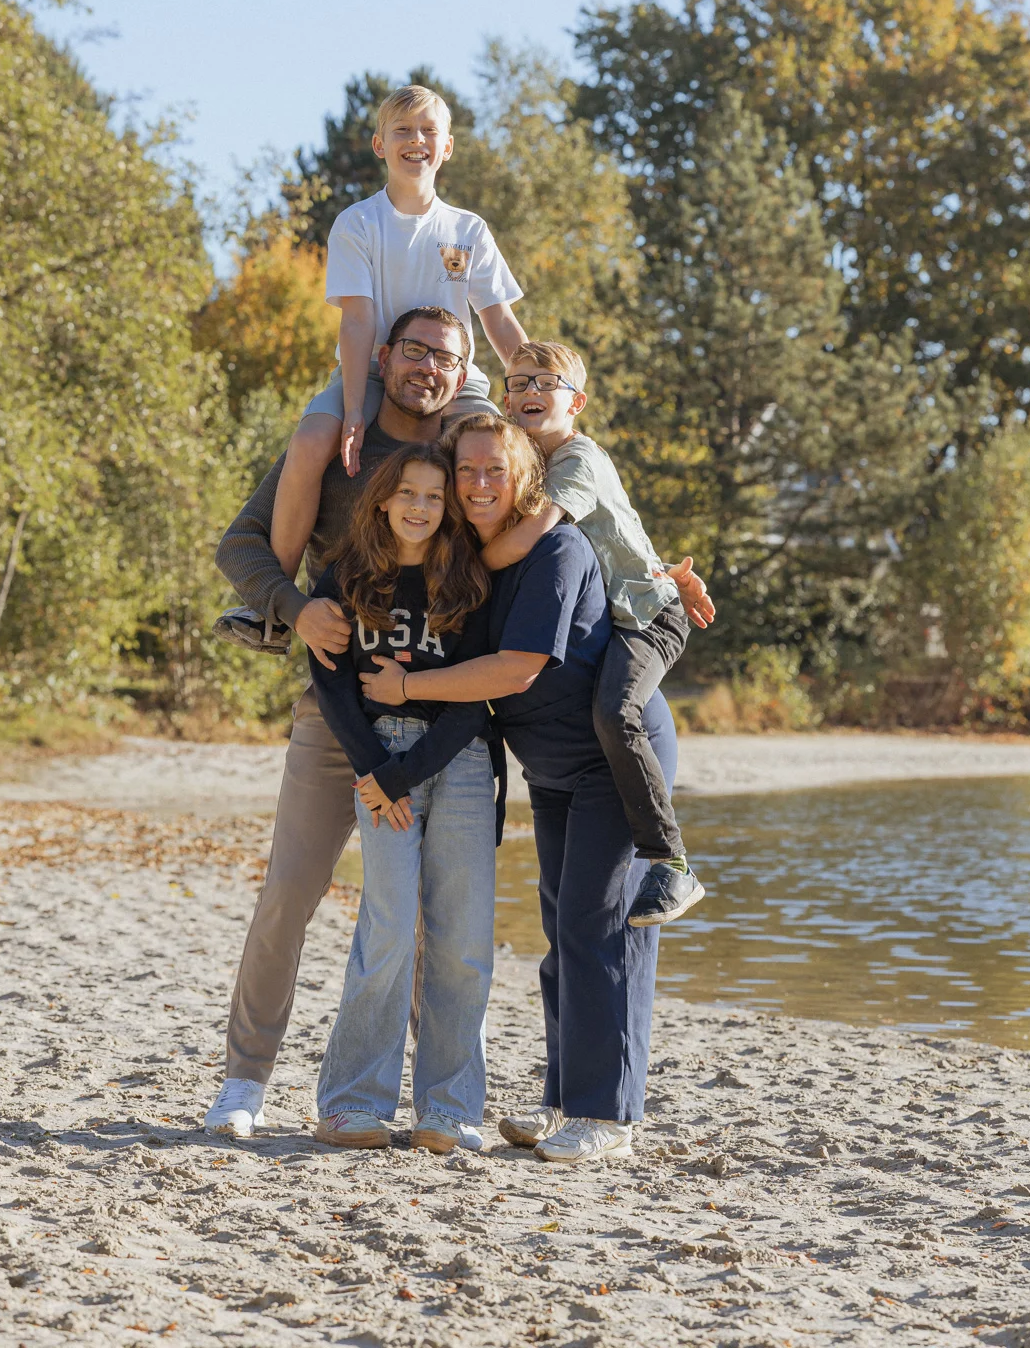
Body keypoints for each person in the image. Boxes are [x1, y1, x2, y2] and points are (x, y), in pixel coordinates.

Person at [361, 413, 680, 1165]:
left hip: (612, 760)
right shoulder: (471, 556)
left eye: (493, 471)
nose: (476, 484)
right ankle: (565, 1099)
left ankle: (609, 1117)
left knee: (599, 927)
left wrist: (407, 685)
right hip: (556, 771)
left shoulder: (558, 549)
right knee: (560, 933)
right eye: (465, 470)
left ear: (525, 477)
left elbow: (517, 669)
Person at [203, 306, 475, 1142]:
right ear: (383, 358)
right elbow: (241, 546)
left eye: (447, 358)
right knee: (290, 891)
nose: (428, 368)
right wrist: (291, 607)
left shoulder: (470, 462)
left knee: (435, 916)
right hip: (336, 715)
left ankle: (438, 1101)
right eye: (415, 351)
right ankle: (243, 1083)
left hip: (442, 725)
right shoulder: (338, 449)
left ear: (463, 376)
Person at [306, 444, 497, 1154]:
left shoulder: (467, 578)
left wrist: (404, 773)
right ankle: (352, 1104)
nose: (420, 506)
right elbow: (330, 681)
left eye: (435, 496)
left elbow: (478, 694)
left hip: (462, 762)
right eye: (408, 492)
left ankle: (448, 1110)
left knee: (463, 937)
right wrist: (376, 771)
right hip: (378, 759)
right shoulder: (349, 575)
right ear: (383, 499)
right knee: (386, 928)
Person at [484, 339, 714, 928]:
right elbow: (622, 539)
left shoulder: (577, 460)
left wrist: (461, 565)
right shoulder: (525, 460)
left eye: (545, 383)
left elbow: (536, 532)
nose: (529, 392)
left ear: (577, 401)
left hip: (649, 619)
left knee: (615, 711)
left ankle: (673, 862)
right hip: (627, 608)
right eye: (518, 382)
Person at [268, 84, 528, 581]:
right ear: (379, 144)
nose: (417, 140)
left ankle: (505, 589)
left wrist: (528, 387)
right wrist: (350, 413)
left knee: (504, 453)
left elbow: (498, 320)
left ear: (447, 147)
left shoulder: (467, 229)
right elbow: (359, 319)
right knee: (310, 440)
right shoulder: (358, 223)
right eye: (403, 130)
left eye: (430, 131)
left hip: (454, 382)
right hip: (371, 374)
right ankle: (271, 604)